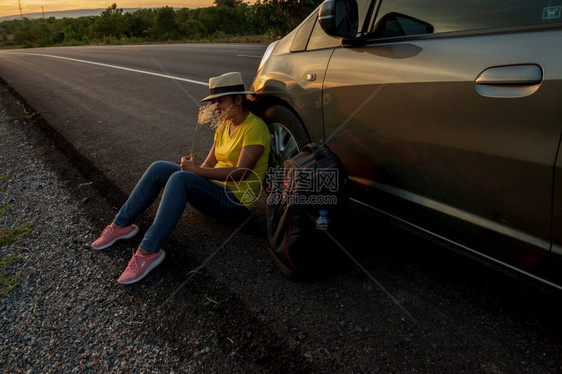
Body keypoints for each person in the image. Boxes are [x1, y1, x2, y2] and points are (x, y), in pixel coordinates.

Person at [90, 72, 271, 284]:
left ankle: (148, 251)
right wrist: (194, 168)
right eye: (214, 102)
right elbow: (208, 166)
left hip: (237, 202)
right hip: (216, 192)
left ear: (238, 99)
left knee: (180, 179)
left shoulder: (255, 128)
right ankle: (121, 225)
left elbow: (242, 173)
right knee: (159, 168)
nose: (216, 107)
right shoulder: (224, 126)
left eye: (220, 101)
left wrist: (193, 173)